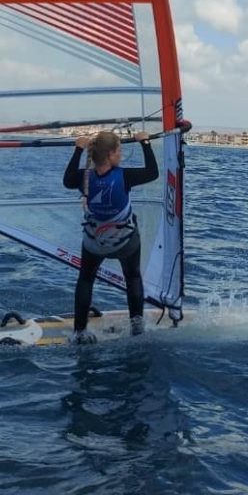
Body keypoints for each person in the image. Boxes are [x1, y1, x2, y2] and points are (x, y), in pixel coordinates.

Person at [62, 129, 159, 343]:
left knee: (86, 279)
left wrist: (78, 149)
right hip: (124, 242)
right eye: (119, 151)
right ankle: (137, 328)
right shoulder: (124, 176)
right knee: (132, 277)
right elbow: (153, 172)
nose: (121, 155)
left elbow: (67, 180)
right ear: (110, 155)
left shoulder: (83, 177)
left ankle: (79, 331)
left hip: (95, 243)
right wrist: (145, 143)